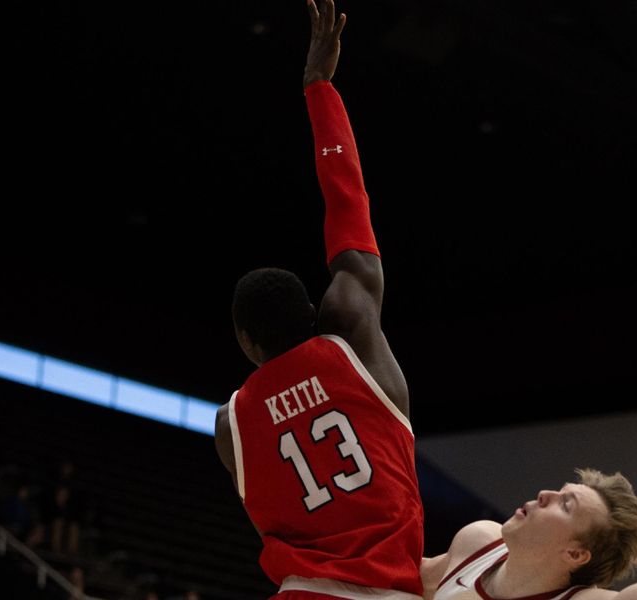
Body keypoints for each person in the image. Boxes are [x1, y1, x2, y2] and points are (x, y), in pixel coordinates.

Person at [213, 1, 424, 599]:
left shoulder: (231, 422)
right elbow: (347, 203)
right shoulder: (353, 329)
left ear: (245, 341)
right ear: (313, 311)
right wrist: (319, 88)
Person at [420, 361, 637, 600]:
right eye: (560, 492)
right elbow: (386, 577)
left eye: (565, 505)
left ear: (575, 553)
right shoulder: (478, 542)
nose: (545, 494)